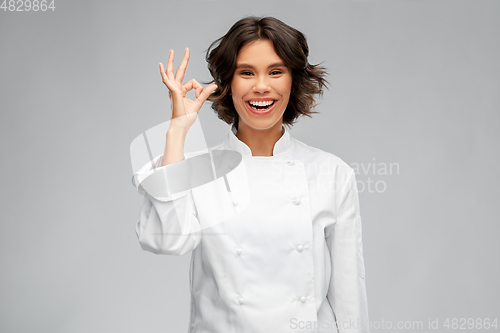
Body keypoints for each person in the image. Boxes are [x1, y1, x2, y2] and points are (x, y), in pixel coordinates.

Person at [133, 16, 370, 333]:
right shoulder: (199, 170)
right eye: (246, 72)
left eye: (276, 71)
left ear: (293, 81)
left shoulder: (331, 172)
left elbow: (348, 291)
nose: (261, 86)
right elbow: (165, 240)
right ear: (227, 83)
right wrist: (177, 131)